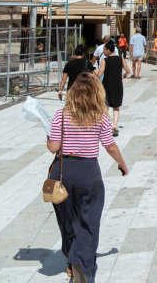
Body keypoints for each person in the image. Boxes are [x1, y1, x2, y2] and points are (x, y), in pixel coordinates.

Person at [47, 73, 128, 283]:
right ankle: (80, 263)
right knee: (88, 222)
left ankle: (71, 260)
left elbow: (53, 147)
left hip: (63, 173)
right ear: (96, 93)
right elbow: (110, 146)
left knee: (67, 221)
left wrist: (48, 137)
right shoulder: (100, 117)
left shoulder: (60, 116)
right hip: (88, 173)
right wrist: (122, 163)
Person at [96, 41, 131, 135]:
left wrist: (92, 70)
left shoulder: (105, 60)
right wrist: (124, 75)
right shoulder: (120, 59)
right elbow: (128, 70)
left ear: (108, 50)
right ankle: (114, 126)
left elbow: (99, 75)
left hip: (106, 85)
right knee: (116, 107)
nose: (104, 52)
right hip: (117, 85)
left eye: (104, 50)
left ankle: (105, 126)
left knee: (105, 107)